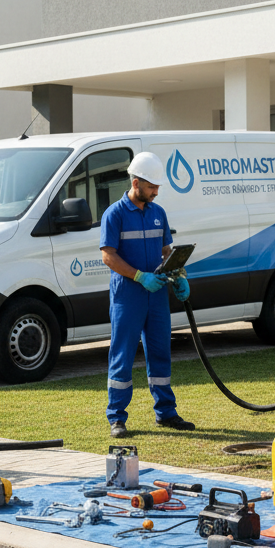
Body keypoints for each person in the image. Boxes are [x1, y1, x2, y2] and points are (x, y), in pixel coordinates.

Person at [99, 152, 194, 438]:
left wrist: (180, 277)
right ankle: (117, 417)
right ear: (136, 182)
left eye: (157, 187)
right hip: (128, 295)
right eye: (152, 186)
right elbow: (108, 256)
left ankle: (166, 413)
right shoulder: (114, 214)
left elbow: (168, 251)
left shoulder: (158, 213)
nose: (156, 191)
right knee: (123, 355)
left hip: (156, 297)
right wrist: (139, 276)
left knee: (160, 353)